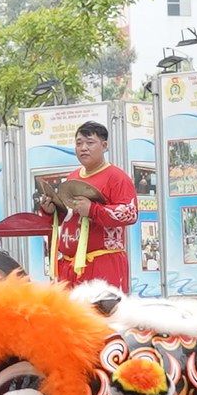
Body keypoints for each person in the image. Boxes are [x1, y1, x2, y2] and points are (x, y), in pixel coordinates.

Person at [46, 121, 138, 292]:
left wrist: (94, 210)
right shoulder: (73, 176)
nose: (83, 148)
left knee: (102, 316)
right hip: (69, 264)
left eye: (90, 143)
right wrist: (52, 211)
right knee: (70, 317)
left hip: (103, 262)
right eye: (79, 143)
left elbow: (130, 213)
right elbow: (69, 216)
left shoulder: (117, 177)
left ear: (104, 145)